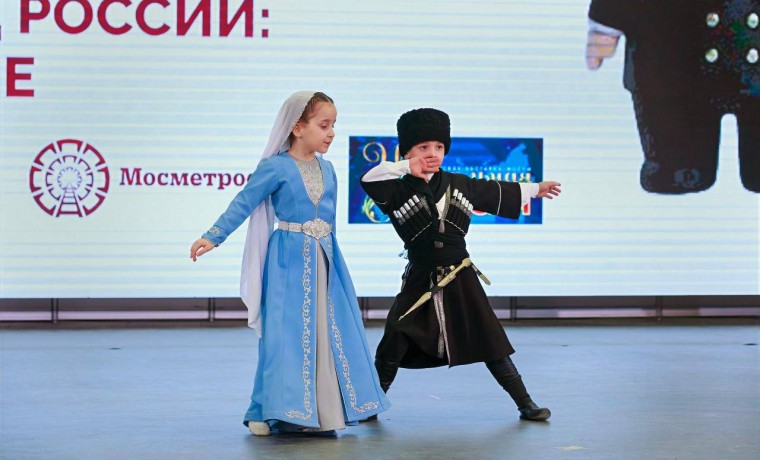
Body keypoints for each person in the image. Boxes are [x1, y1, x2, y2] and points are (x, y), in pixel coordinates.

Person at [190, 91, 390, 437]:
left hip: (326, 259)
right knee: (283, 336)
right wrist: (214, 235)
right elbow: (244, 202)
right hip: (288, 261)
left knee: (327, 332)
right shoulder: (275, 167)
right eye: (323, 125)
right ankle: (265, 410)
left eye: (334, 125)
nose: (331, 133)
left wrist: (332, 259)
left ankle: (323, 411)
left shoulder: (329, 169)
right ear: (298, 127)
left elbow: (330, 220)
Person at [360, 108, 561, 421]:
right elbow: (368, 178)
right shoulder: (395, 189)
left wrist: (536, 189)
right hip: (420, 277)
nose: (432, 153)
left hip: (460, 274)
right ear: (407, 151)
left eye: (439, 146)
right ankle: (370, 403)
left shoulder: (460, 184)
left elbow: (496, 190)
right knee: (395, 336)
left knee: (490, 337)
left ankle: (526, 403)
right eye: (423, 147)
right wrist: (404, 167)